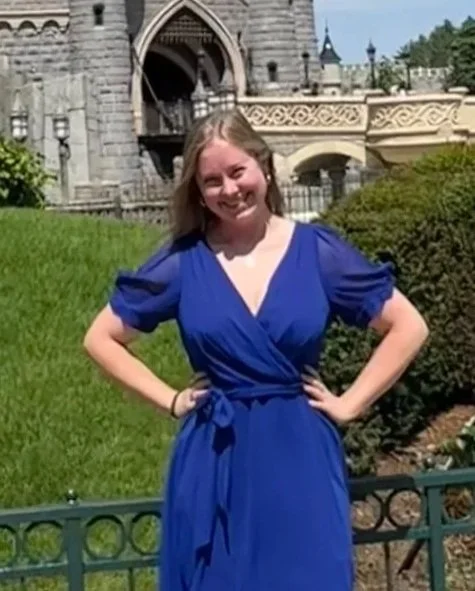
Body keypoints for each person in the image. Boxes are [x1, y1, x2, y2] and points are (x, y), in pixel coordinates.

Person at [83, 109, 429, 590]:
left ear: (263, 166)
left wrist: (351, 403)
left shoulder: (317, 251)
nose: (229, 189)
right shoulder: (183, 262)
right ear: (197, 191)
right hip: (215, 455)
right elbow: (100, 338)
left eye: (237, 171)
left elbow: (408, 326)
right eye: (212, 181)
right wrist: (171, 399)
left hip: (299, 456)